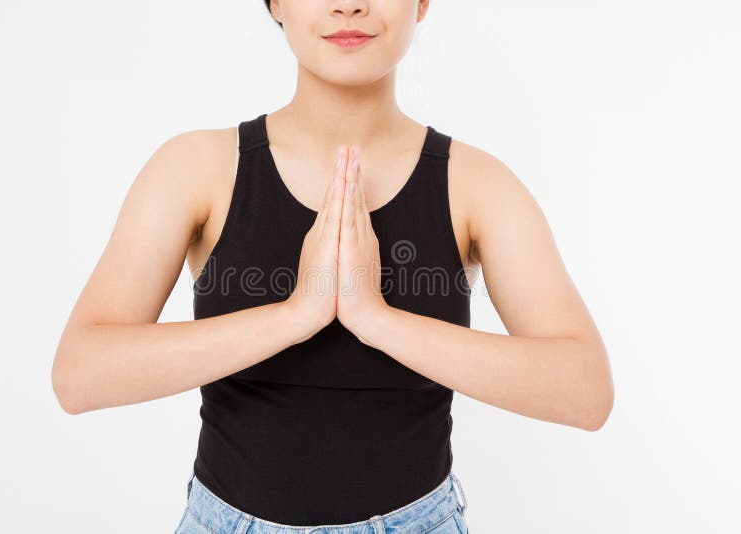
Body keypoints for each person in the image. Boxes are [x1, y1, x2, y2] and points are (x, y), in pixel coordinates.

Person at [52, 1, 614, 532]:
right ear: (275, 3)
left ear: (421, 3)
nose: (349, 5)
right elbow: (80, 376)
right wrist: (299, 313)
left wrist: (375, 318)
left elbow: (585, 392)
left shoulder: (480, 186)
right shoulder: (194, 168)